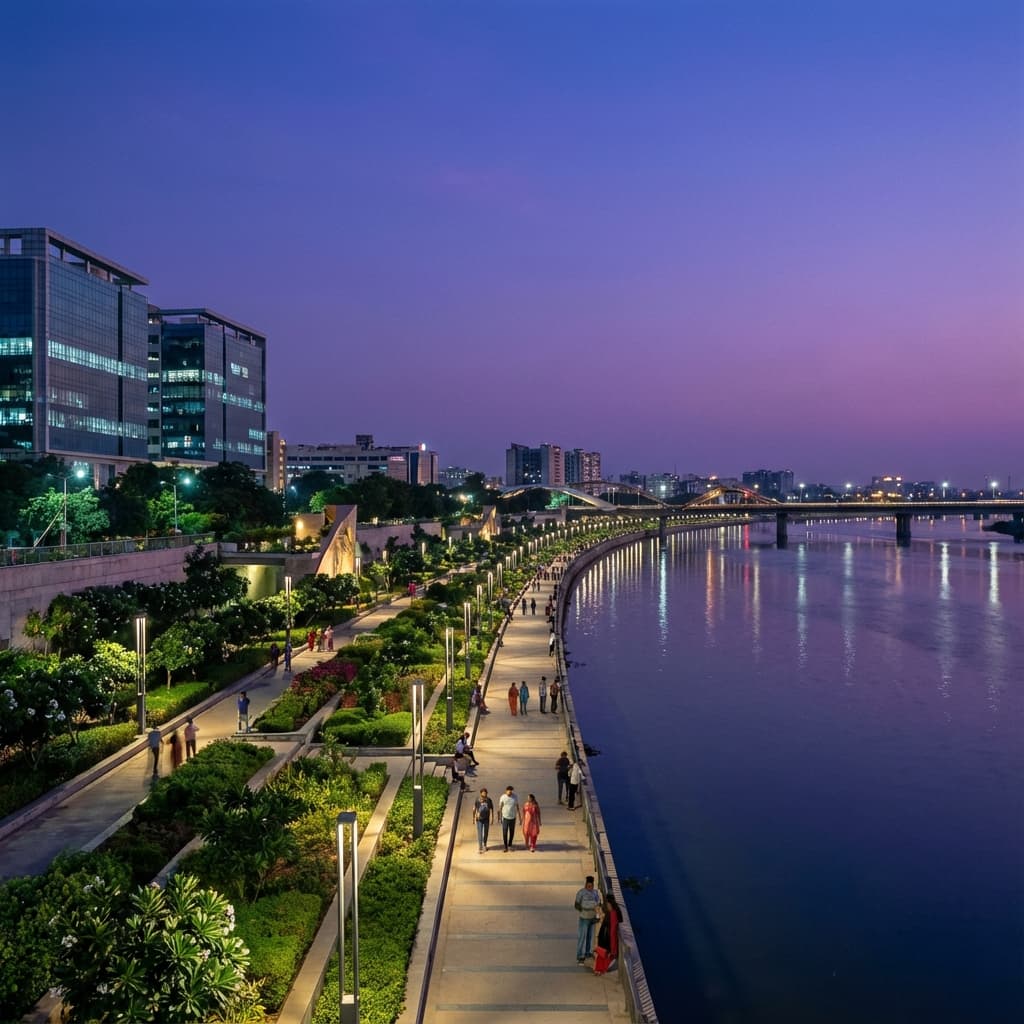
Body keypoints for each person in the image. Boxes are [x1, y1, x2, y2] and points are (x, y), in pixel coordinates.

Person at [574, 876, 602, 963]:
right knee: (582, 936)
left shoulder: (595, 893)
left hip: (592, 918)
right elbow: (576, 904)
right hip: (584, 918)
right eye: (588, 886)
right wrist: (582, 910)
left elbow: (598, 905)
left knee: (590, 937)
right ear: (586, 885)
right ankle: (579, 954)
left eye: (591, 886)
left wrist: (597, 916)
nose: (590, 887)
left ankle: (587, 952)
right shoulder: (581, 893)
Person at [593, 893, 621, 974]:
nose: (607, 905)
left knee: (604, 955)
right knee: (602, 954)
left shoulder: (612, 914)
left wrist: (613, 947)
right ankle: (599, 969)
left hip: (606, 939)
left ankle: (600, 969)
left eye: (608, 904)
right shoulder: (612, 913)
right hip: (605, 937)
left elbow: (612, 930)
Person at [498, 785, 522, 852]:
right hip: (505, 817)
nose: (510, 792)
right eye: (508, 791)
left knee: (512, 832)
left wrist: (520, 818)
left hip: (513, 817)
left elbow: (517, 807)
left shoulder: (515, 797)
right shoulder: (503, 797)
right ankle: (505, 847)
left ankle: (510, 845)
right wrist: (499, 817)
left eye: (511, 791)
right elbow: (500, 807)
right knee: (505, 832)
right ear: (506, 791)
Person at [474, 787, 494, 852]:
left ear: (486, 794)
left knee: (485, 833)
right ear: (480, 794)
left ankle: (485, 845)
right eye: (483, 793)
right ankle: (480, 847)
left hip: (486, 819)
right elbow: (475, 808)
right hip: (479, 820)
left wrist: (492, 818)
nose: (484, 794)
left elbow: (491, 809)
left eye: (485, 793)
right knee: (480, 833)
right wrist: (474, 817)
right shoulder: (477, 800)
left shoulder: (489, 800)